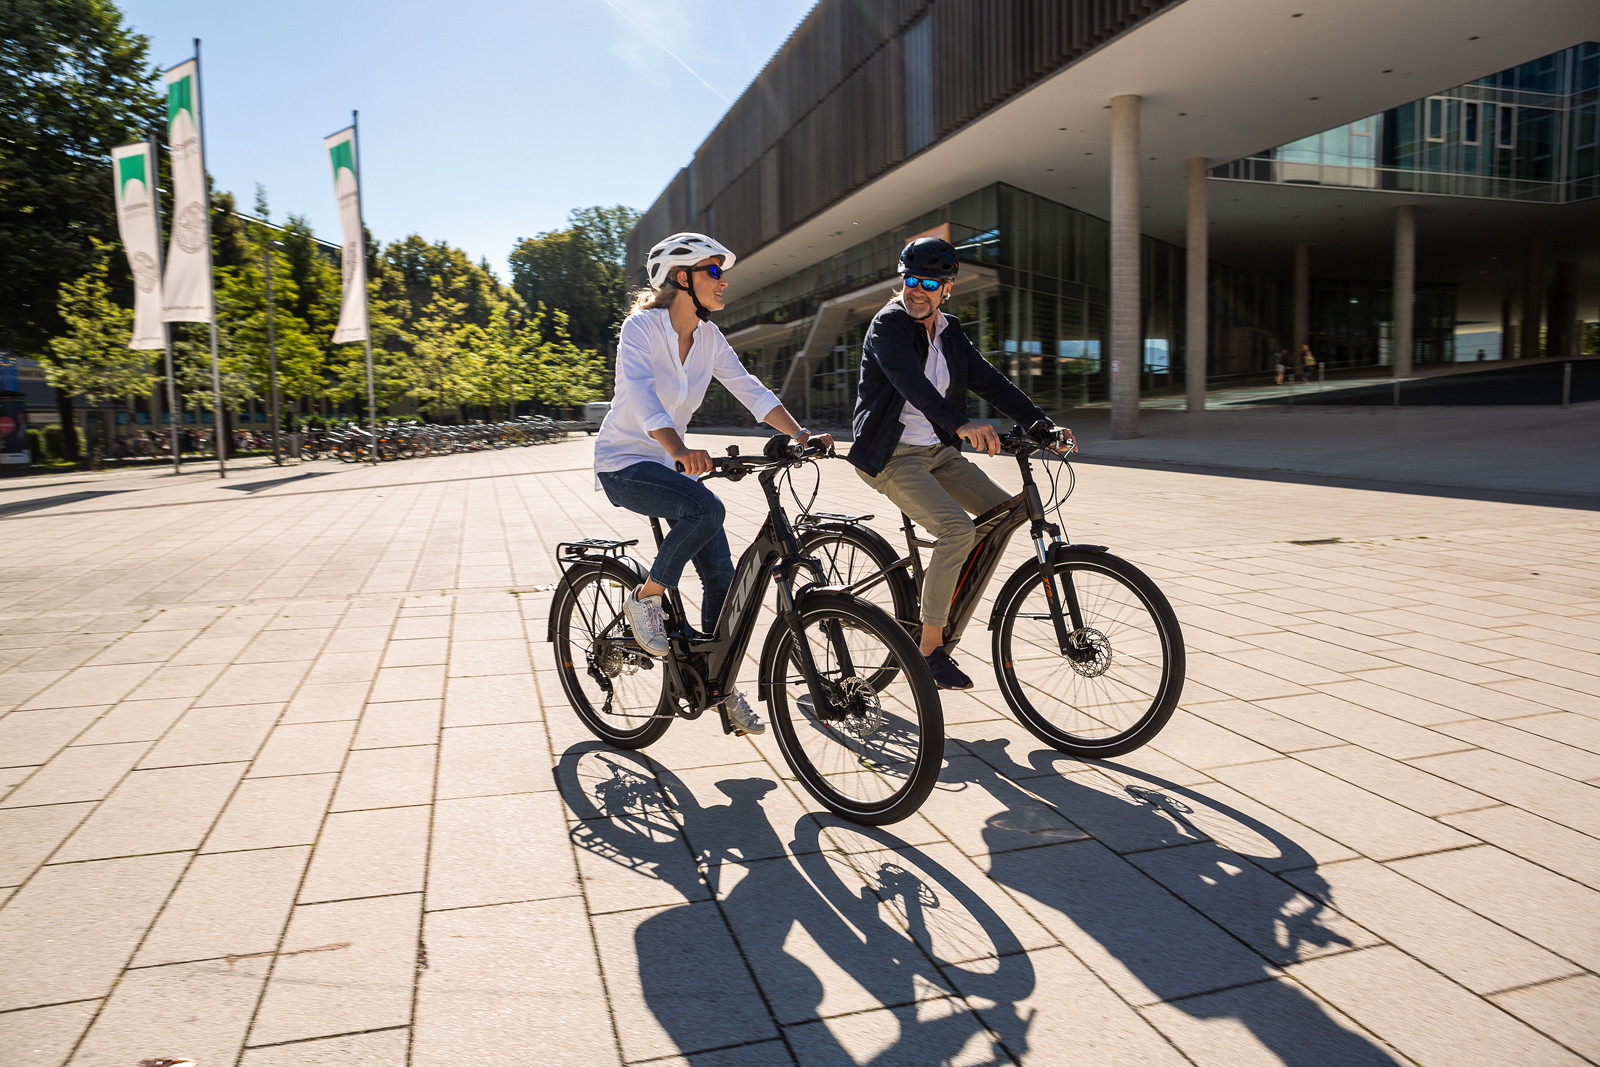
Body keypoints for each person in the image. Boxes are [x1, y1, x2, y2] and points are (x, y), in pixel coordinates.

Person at [593, 231, 832, 736]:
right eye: (714, 271)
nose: (725, 282)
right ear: (683, 279)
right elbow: (637, 396)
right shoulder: (641, 329)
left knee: (725, 581)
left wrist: (800, 434)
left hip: (668, 464)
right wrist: (677, 449)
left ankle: (716, 686)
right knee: (707, 510)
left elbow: (749, 388)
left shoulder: (709, 338)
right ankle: (646, 596)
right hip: (625, 462)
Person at [847, 236, 1073, 690]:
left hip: (938, 451)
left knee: (1004, 515)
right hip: (890, 455)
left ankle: (937, 590)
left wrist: (1040, 424)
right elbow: (912, 385)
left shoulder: (950, 331)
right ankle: (928, 652)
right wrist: (962, 423)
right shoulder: (887, 326)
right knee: (957, 529)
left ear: (947, 288)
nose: (917, 290)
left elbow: (991, 381)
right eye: (911, 279)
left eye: (929, 283)